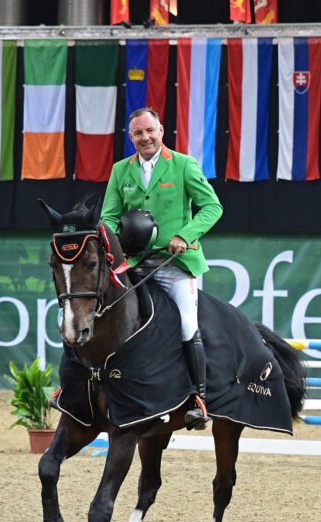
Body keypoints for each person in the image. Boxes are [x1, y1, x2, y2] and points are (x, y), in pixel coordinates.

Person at [100, 107, 223, 430]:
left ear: (161, 130)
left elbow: (212, 206)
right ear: (131, 138)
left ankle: (199, 399)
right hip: (134, 262)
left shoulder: (183, 165)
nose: (145, 138)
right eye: (138, 133)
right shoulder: (120, 171)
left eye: (150, 131)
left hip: (175, 264)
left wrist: (186, 234)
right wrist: (110, 241)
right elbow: (109, 216)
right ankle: (85, 388)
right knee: (101, 311)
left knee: (186, 323)